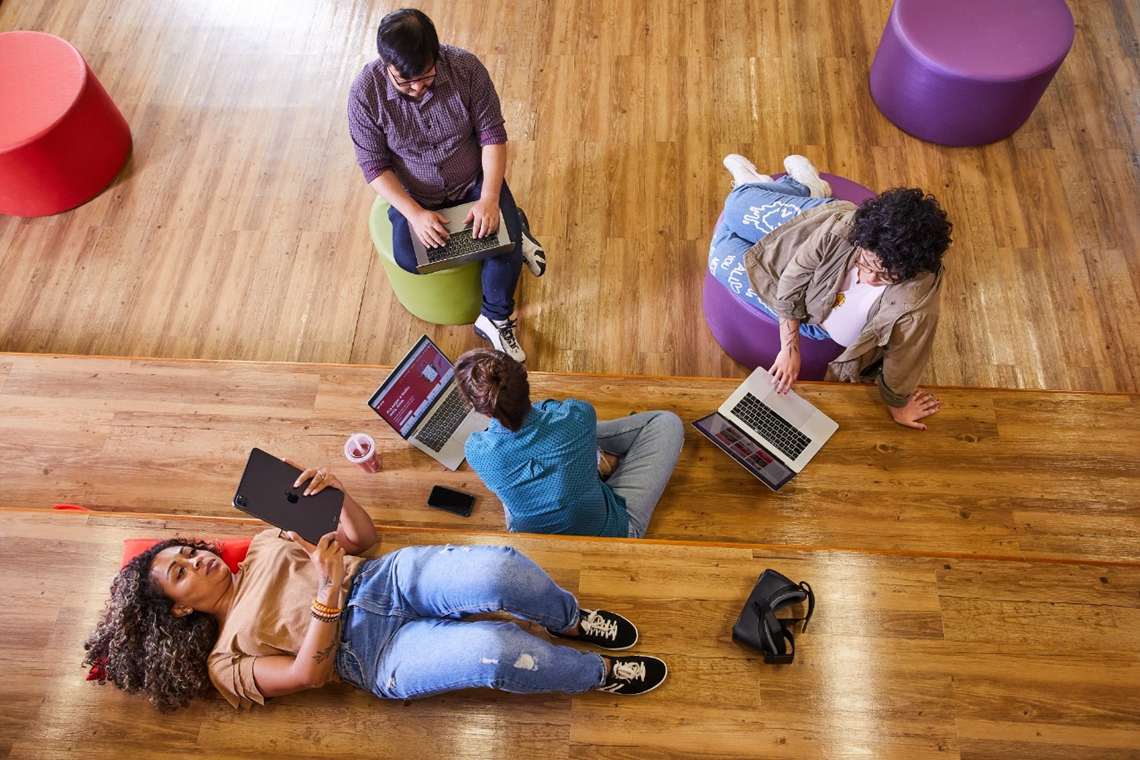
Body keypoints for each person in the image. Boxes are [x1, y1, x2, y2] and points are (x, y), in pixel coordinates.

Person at [82, 464, 668, 711]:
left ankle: (567, 617)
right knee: (495, 652)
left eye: (189, 552)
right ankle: (596, 674)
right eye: (181, 572)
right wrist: (326, 593)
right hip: (372, 654)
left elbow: (362, 539)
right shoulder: (223, 662)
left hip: (381, 578)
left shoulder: (264, 542)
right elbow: (307, 676)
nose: (199, 561)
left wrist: (337, 497)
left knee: (500, 572)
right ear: (177, 611)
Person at [348, 9, 546, 363]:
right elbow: (373, 166)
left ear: (436, 55)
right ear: (385, 64)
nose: (417, 87)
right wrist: (415, 214)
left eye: (425, 76)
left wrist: (489, 198)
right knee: (411, 258)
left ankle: (495, 316)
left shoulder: (466, 69)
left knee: (502, 240)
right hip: (416, 195)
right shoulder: (365, 94)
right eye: (404, 81)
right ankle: (516, 228)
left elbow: (492, 135)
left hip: (473, 181)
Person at [710, 154, 952, 430]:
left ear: (910, 271)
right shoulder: (844, 227)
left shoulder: (915, 307)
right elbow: (794, 276)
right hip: (808, 229)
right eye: (865, 262)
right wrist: (789, 349)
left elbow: (906, 355)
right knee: (735, 206)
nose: (869, 277)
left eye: (887, 276)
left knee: (719, 256)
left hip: (811, 316)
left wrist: (898, 405)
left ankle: (785, 188)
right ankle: (806, 188)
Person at [455, 349, 684, 538]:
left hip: (535, 546)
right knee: (667, 423)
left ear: (482, 410)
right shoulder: (577, 415)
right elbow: (553, 409)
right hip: (611, 535)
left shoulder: (477, 451)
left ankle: (587, 460)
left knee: (511, 485)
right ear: (525, 380)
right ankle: (597, 458)